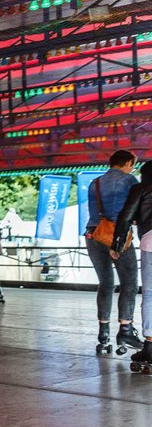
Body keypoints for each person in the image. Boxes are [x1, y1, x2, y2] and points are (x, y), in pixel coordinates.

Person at [87, 149, 140, 356]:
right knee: (129, 282)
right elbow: (134, 209)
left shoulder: (95, 183)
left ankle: (103, 334)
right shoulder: (129, 181)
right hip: (118, 236)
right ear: (127, 163)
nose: (133, 169)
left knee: (106, 284)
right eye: (133, 165)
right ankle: (125, 330)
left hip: (94, 234)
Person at [113, 161, 152, 367]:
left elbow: (125, 216)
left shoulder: (141, 188)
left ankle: (150, 346)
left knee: (150, 294)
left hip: (151, 242)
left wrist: (117, 244)